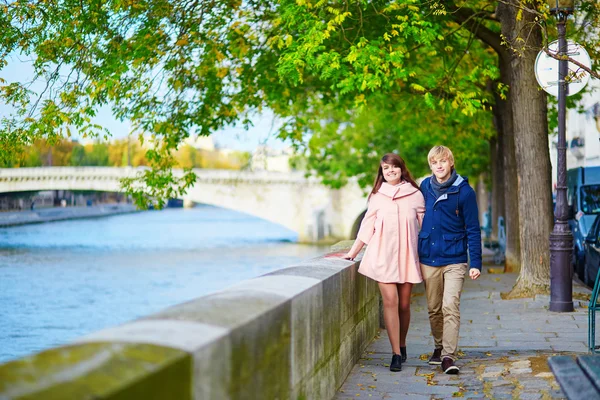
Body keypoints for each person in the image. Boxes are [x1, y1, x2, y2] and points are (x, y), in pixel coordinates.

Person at [343, 153, 425, 372]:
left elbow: (425, 227)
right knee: (390, 302)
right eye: (385, 168)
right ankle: (395, 353)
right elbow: (366, 227)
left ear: (401, 168)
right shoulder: (377, 196)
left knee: (405, 304)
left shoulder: (416, 195)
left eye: (394, 167)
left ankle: (403, 343)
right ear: (381, 172)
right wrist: (352, 252)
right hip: (383, 256)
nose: (390, 171)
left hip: (408, 256)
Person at [418, 145, 482, 375]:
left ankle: (448, 355)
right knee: (434, 308)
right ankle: (438, 346)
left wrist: (475, 262)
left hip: (455, 258)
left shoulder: (465, 192)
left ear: (451, 163)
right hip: (429, 257)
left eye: (443, 161)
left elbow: (473, 229)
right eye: (434, 162)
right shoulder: (424, 186)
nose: (439, 166)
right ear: (430, 165)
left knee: (449, 306)